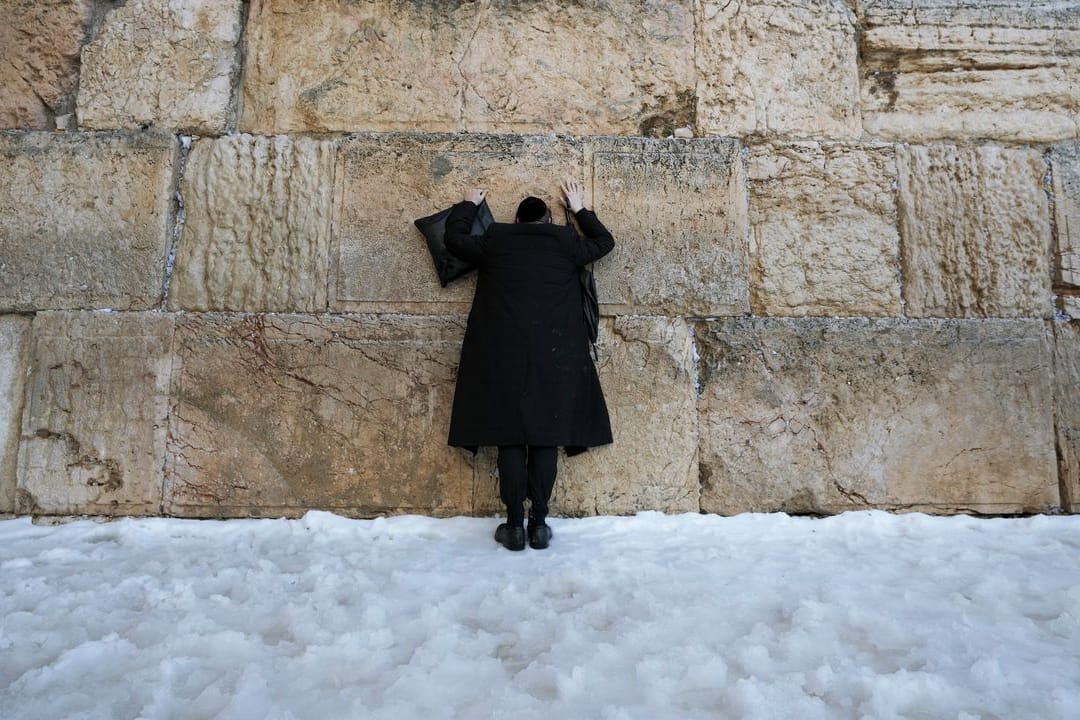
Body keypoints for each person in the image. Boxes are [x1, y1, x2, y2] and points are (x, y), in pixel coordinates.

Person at [444, 178, 615, 551]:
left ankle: (514, 525)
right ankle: (539, 523)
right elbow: (605, 243)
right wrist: (580, 207)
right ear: (550, 222)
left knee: (510, 435)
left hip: (502, 355)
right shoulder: (566, 243)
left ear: (518, 221)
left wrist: (468, 205)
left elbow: (454, 240)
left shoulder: (496, 240)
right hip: (555, 355)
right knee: (544, 436)